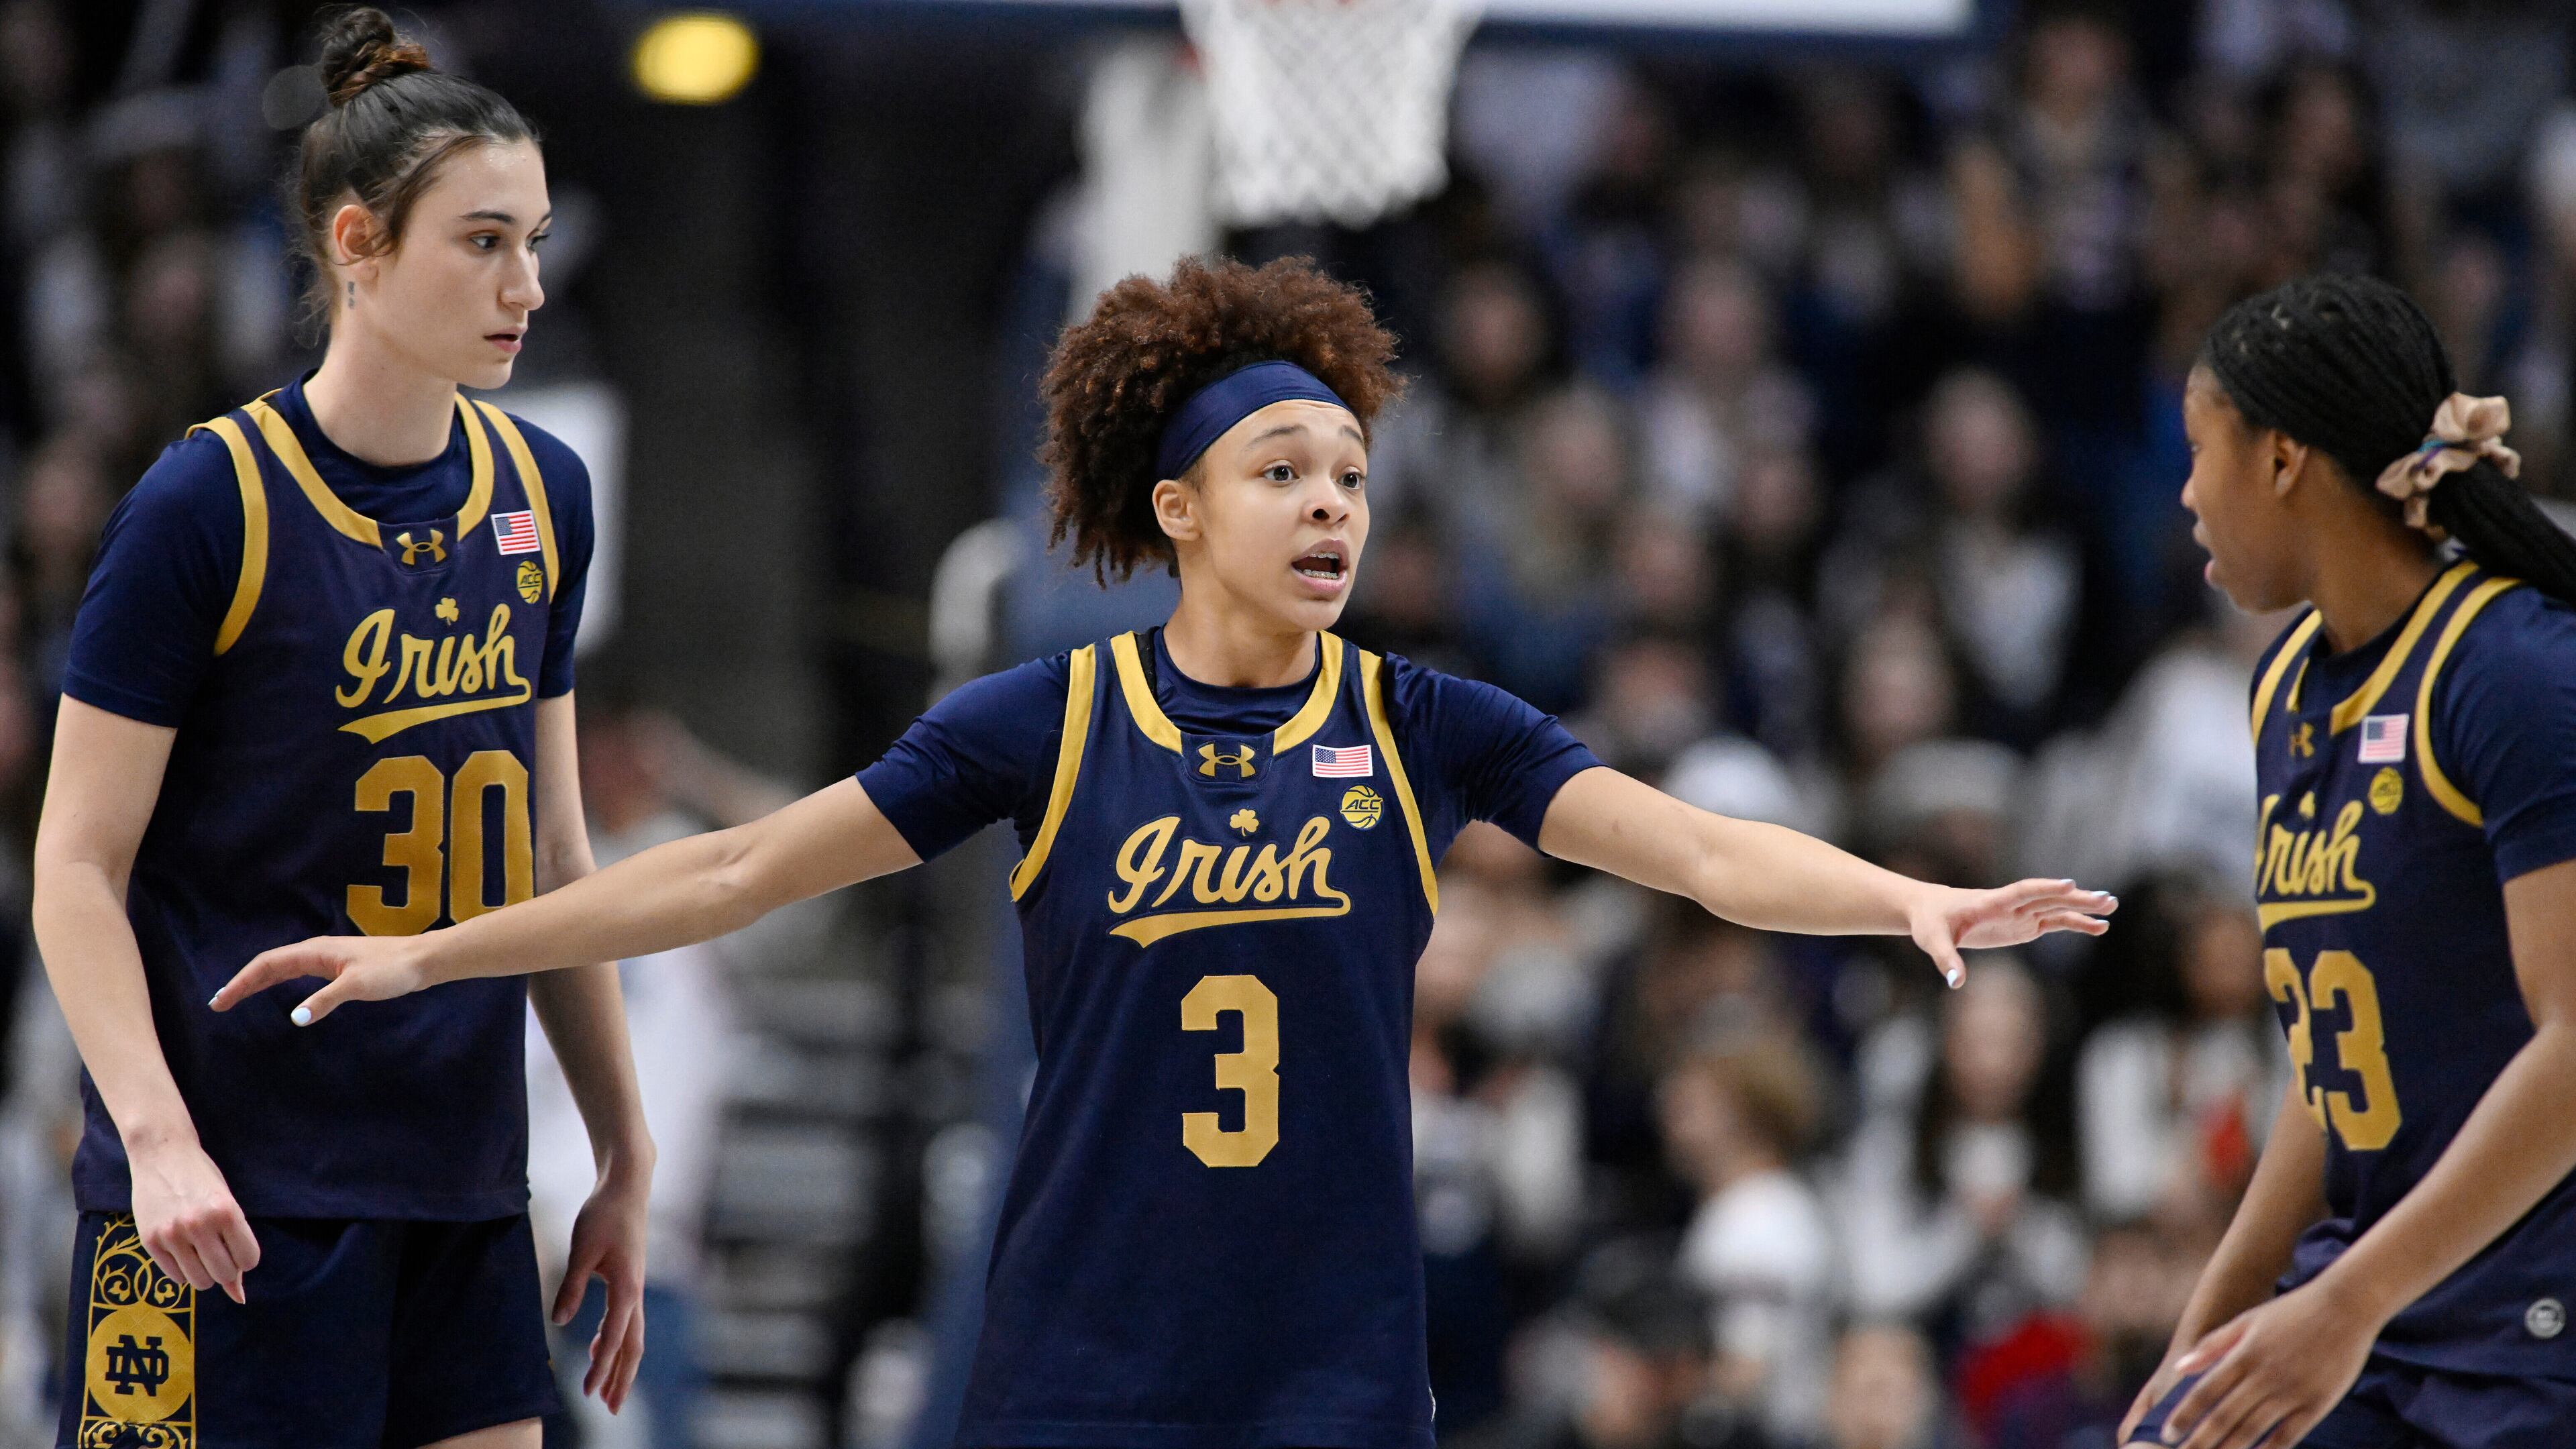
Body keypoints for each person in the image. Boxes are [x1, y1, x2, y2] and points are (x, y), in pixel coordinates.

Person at [213, 254, 2112, 1449]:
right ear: (1182, 508)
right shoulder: (1043, 723)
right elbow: (727, 875)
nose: (1330, 510)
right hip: (1085, 1360)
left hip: (1336, 1372)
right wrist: (432, 953)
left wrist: (1902, 897)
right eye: (1286, 474)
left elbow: (1695, 852)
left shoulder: (1419, 721)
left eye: (1353, 481)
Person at [33, 11, 649, 1446]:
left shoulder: (543, 491)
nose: (528, 285)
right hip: (224, 1203)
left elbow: (556, 862)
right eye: (484, 242)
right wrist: (161, 1137)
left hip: (459, 1191)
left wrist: (620, 1145)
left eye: (537, 241)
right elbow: (75, 863)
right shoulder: (207, 505)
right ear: (359, 247)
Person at [2125, 271, 2576, 1449]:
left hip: (2531, 1330)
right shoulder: (2285, 684)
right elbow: (2331, 1074)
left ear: (2282, 461)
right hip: (2375, 1316)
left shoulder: (2513, 674)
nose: (2184, 494)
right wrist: (2203, 1339)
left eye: (2199, 452)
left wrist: (2349, 1303)